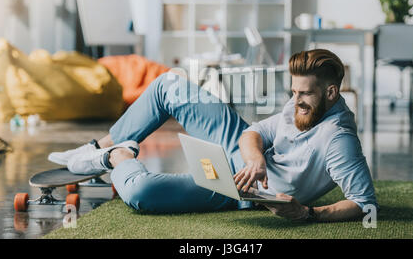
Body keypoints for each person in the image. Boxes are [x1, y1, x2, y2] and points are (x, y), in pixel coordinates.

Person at [48, 49, 378, 222]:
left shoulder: (339, 140)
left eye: (304, 94)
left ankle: (116, 156)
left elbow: (365, 204)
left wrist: (307, 214)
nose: (295, 101)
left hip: (243, 191)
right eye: (293, 91)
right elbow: (254, 131)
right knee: (170, 83)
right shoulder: (302, 101)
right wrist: (256, 157)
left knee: (143, 192)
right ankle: (98, 146)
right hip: (242, 154)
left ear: (332, 92)